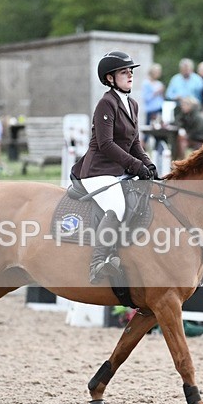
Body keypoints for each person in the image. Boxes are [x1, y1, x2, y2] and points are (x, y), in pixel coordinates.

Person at [70, 51, 157, 284]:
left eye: (131, 71)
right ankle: (98, 263)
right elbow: (106, 144)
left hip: (118, 171)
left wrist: (147, 163)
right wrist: (135, 165)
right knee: (117, 206)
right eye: (123, 71)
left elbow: (134, 142)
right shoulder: (105, 104)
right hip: (97, 171)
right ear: (110, 78)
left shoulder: (133, 104)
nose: (130, 74)